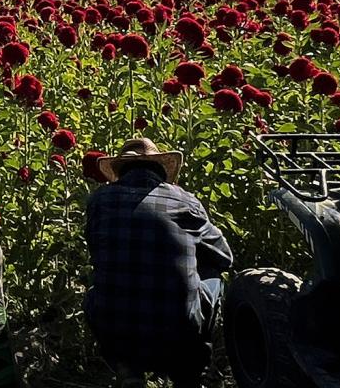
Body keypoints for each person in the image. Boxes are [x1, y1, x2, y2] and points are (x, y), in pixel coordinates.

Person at [84, 138, 233, 388]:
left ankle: (127, 367)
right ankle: (189, 372)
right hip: (177, 331)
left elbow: (96, 250)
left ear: (119, 172)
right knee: (213, 276)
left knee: (97, 285)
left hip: (115, 329)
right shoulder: (185, 200)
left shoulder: (100, 200)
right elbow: (224, 256)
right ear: (162, 170)